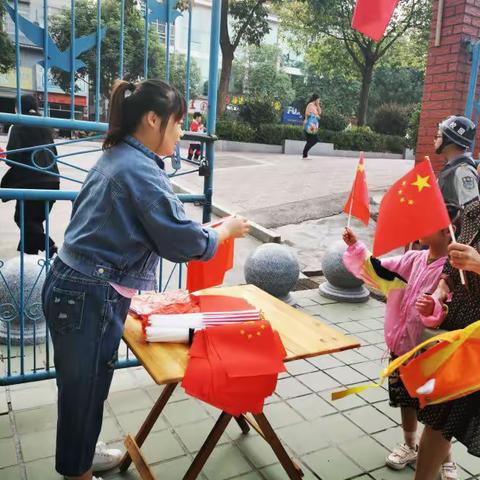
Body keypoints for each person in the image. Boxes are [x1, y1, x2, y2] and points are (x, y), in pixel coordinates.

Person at [41, 79, 250, 480]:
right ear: (153, 119)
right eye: (176, 124)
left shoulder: (119, 154)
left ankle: (81, 457)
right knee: (83, 393)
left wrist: (201, 232)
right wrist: (224, 232)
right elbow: (180, 239)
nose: (180, 133)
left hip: (77, 285)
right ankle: (77, 472)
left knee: (83, 387)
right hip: (88, 293)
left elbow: (158, 227)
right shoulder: (138, 169)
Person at [342, 218, 458, 479]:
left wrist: (433, 309)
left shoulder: (452, 272)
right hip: (402, 348)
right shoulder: (413, 259)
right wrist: (357, 247)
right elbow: (380, 269)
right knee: (406, 400)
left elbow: (451, 310)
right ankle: (409, 444)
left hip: (431, 353)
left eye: (425, 221)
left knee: (434, 410)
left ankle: (445, 457)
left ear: (444, 230)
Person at [413, 199, 480, 480]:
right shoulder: (473, 210)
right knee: (440, 417)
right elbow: (453, 269)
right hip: (462, 336)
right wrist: (440, 292)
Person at [1, 94, 60, 256]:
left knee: (22, 219)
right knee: (33, 222)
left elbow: (13, 159)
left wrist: (5, 156)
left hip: (31, 182)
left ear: (18, 108)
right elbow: (53, 154)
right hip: (53, 181)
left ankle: (49, 246)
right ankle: (29, 260)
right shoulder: (45, 125)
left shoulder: (19, 125)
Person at [435, 115, 479, 210]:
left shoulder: (463, 171)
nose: (434, 140)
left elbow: (473, 211)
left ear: (449, 140)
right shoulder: (452, 168)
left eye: (438, 136)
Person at [302, 94, 321, 160]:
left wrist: (318, 105)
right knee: (314, 139)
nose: (319, 101)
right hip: (309, 125)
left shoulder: (315, 106)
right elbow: (307, 113)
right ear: (315, 99)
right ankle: (304, 154)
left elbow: (320, 112)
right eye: (318, 100)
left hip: (313, 125)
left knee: (310, 140)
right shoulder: (310, 105)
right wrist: (316, 116)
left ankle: (305, 155)